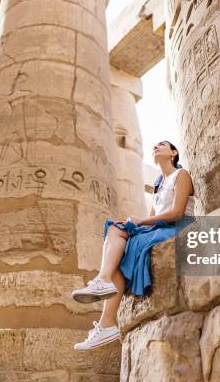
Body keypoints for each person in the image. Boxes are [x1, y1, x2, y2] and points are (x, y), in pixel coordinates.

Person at [71, 140, 196, 350]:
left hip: (179, 227)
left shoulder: (181, 175)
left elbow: (176, 213)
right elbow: (152, 218)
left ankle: (105, 306)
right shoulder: (159, 184)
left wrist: (140, 222)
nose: (156, 146)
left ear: (173, 153)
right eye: (154, 145)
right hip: (159, 228)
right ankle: (105, 310)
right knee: (115, 229)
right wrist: (134, 224)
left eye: (162, 145)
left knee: (130, 242)